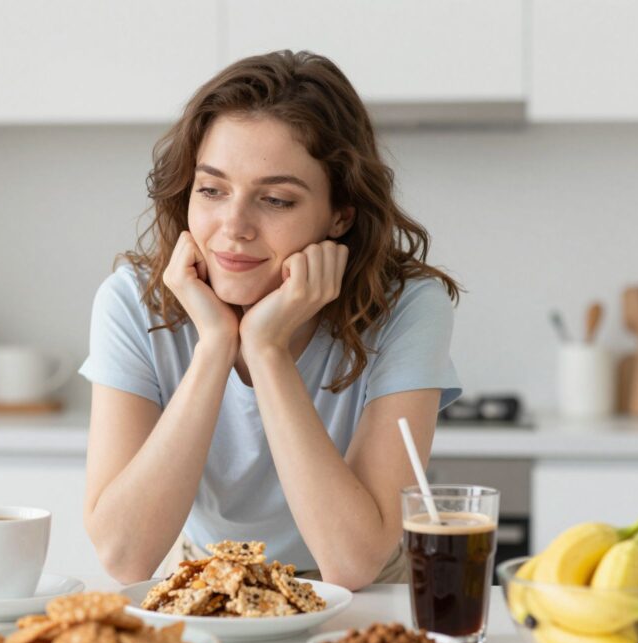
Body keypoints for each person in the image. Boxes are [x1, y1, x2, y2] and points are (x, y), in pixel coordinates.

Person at [79, 50, 461, 590]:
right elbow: (124, 557)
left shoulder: (408, 308)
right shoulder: (132, 302)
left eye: (276, 199)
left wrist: (267, 349)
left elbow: (352, 563)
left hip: (370, 598)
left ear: (340, 216)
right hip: (208, 587)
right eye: (211, 190)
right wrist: (215, 345)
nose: (233, 227)